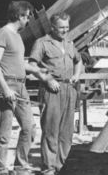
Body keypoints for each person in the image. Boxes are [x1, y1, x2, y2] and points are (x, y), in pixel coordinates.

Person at [0, 1, 45, 175]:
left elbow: (19, 62)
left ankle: (20, 167)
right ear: (19, 16)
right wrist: (5, 88)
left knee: (29, 128)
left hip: (21, 86)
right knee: (4, 131)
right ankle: (0, 169)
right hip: (8, 84)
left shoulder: (17, 36)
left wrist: (37, 69)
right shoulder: (3, 34)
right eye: (27, 16)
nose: (28, 20)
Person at [29, 12, 83, 175]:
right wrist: (46, 79)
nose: (65, 30)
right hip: (51, 90)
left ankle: (62, 166)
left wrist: (76, 75)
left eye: (67, 27)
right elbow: (32, 65)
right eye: (61, 28)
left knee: (67, 132)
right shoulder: (42, 43)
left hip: (69, 89)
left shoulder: (69, 43)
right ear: (52, 27)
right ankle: (49, 168)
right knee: (51, 130)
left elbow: (78, 60)